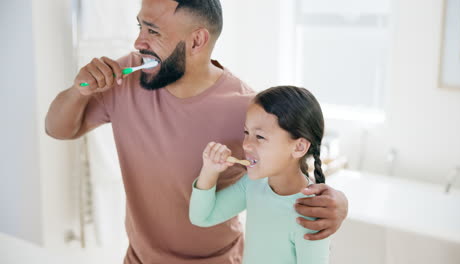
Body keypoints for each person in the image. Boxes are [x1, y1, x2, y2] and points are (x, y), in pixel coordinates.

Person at [45, 0, 348, 263]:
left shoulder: (244, 108)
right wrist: (78, 90)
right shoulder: (124, 78)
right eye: (139, 26)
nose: (138, 41)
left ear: (196, 41)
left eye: (153, 31)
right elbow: (56, 129)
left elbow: (292, 170)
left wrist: (339, 205)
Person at [190, 86, 330, 264]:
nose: (246, 144)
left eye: (260, 137)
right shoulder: (253, 185)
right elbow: (202, 217)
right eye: (246, 133)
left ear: (299, 147)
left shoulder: (311, 216)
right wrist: (209, 171)